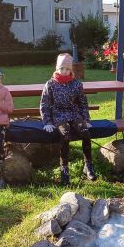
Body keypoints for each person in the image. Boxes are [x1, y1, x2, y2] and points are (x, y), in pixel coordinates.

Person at [40, 53, 96, 185]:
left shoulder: (76, 84)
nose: (64, 71)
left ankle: (88, 165)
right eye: (61, 68)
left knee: (85, 132)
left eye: (67, 69)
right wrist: (47, 122)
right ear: (57, 69)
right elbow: (44, 104)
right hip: (59, 115)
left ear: (71, 70)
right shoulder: (50, 84)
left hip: (74, 114)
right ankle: (64, 169)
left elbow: (82, 103)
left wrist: (86, 120)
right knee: (65, 134)